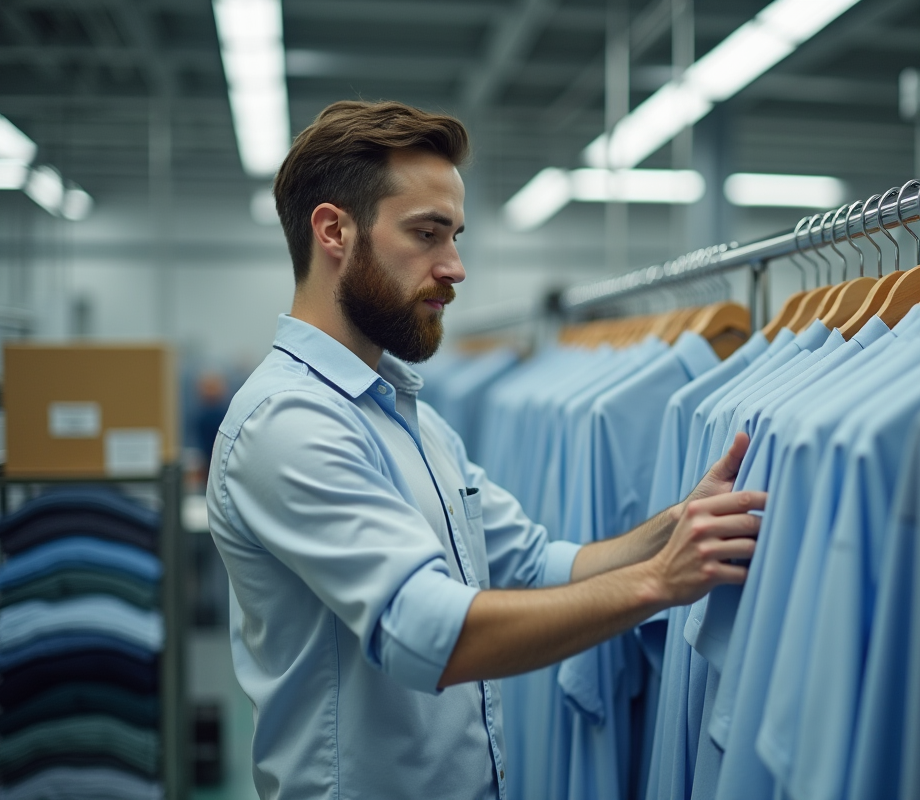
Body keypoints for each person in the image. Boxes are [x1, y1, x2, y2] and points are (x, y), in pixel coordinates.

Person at [206, 100, 765, 800]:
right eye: (427, 234)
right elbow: (424, 632)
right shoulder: (287, 422)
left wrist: (676, 526)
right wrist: (660, 582)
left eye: (456, 236)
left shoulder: (411, 418)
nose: (455, 267)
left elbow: (531, 564)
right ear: (333, 231)